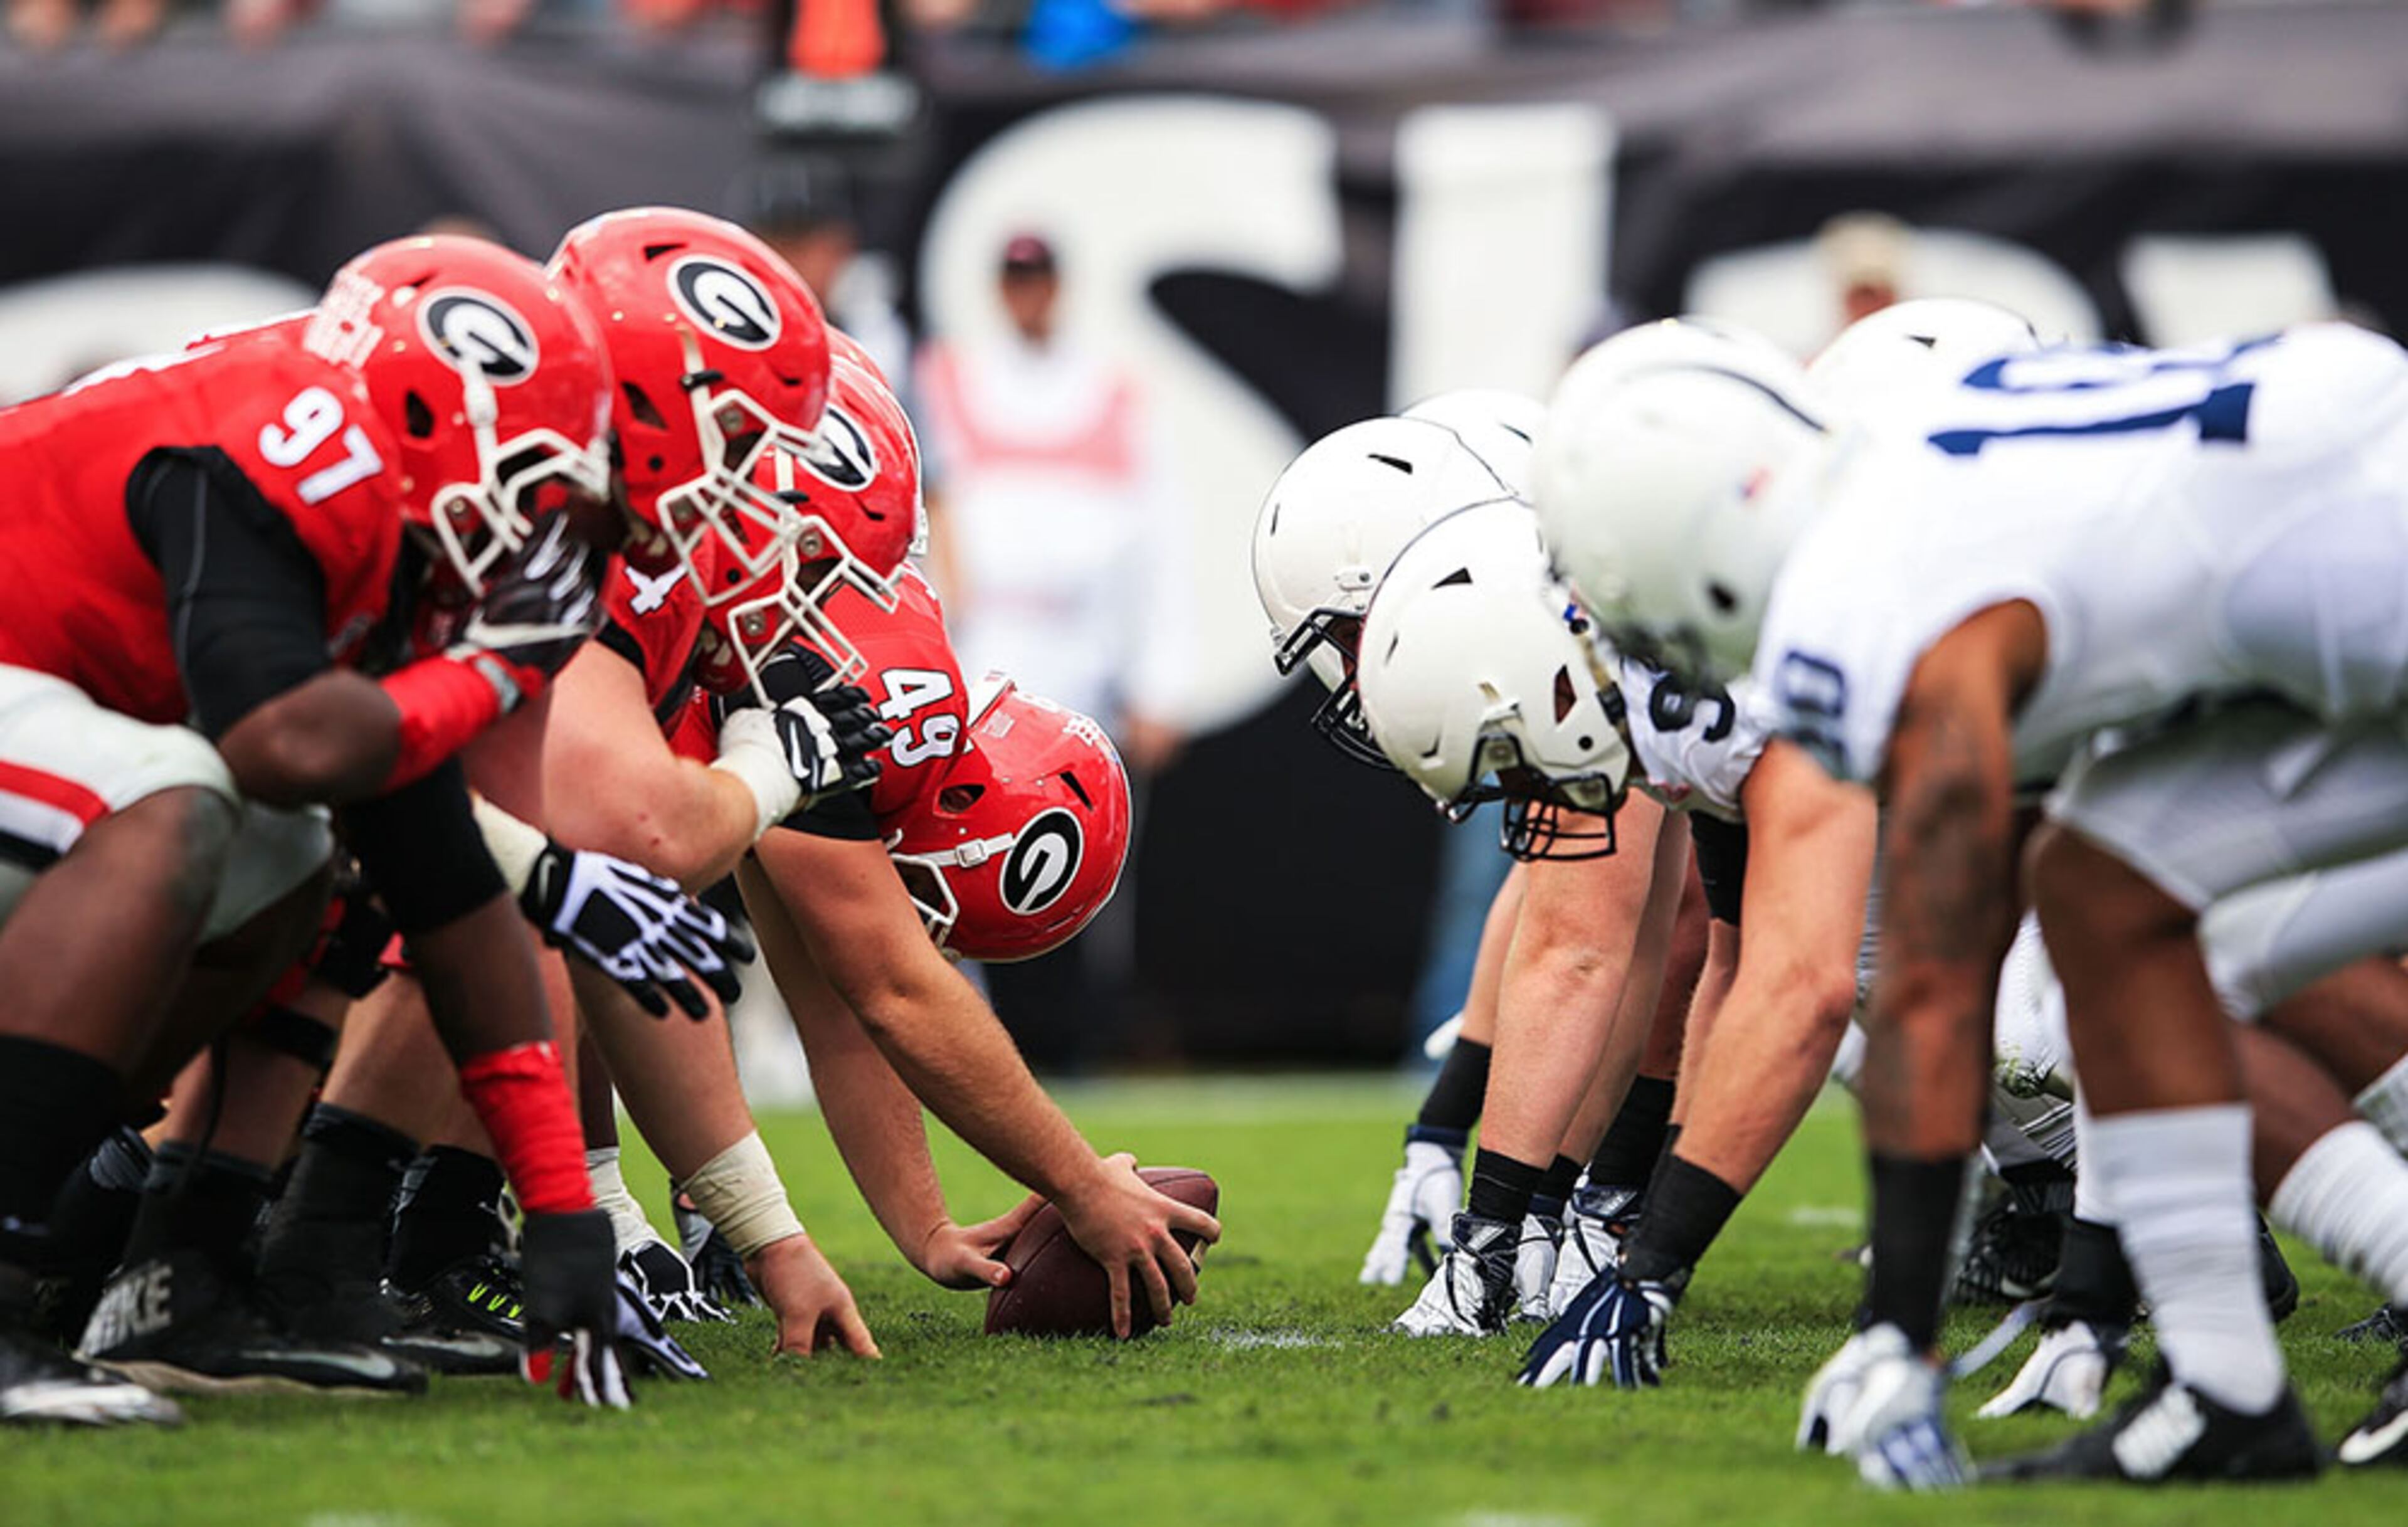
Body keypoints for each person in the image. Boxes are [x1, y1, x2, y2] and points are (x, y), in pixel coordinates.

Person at [1537, 314, 2408, 1484]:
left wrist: (1896, 1335)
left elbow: (1938, 980)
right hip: (2349, 522)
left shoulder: (1873, 604)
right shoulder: (1918, 462)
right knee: (2111, 900)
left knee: (2134, 934)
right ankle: (2225, 1392)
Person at [0, 233, 720, 1422]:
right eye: (534, 473)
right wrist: (490, 676)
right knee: (171, 807)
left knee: (304, 868)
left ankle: (180, 1277)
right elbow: (279, 742)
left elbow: (451, 897)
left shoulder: (386, 542)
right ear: (435, 416)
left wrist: (560, 1216)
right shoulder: (279, 445)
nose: (545, 520)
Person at [914, 231, 1191, 1067]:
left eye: (1038, 279)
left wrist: (1160, 679)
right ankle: (975, 1052)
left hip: (1082, 657)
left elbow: (1160, 542)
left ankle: (1076, 1048)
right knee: (959, 854)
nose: (1026, 294)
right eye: (1014, 279)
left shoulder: (1111, 393)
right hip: (981, 652)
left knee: (1093, 854)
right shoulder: (946, 381)